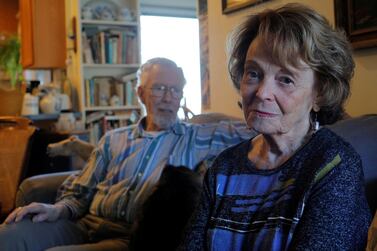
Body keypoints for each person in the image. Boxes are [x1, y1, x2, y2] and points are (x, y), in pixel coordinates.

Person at [0, 58, 254, 251]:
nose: (168, 98)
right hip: (81, 223)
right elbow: (80, 191)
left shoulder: (198, 136)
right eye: (159, 88)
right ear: (140, 93)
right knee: (8, 236)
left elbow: (254, 129)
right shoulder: (113, 138)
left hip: (128, 236)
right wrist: (57, 209)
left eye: (175, 90)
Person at [179, 3, 371, 250]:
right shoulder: (224, 167)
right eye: (253, 73)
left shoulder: (334, 165)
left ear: (320, 93)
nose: (262, 92)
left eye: (286, 79)